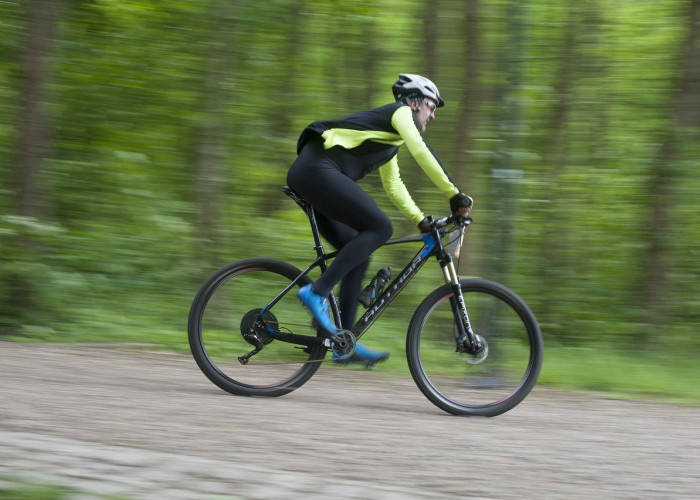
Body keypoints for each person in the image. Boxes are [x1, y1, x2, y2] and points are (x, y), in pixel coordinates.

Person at [287, 73, 472, 367]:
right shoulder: (399, 113)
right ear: (415, 102)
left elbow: (394, 186)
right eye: (431, 106)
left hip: (313, 176)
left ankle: (342, 342)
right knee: (380, 227)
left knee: (358, 254)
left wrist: (420, 220)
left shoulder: (390, 139)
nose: (433, 115)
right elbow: (421, 151)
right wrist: (454, 193)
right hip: (315, 170)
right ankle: (317, 291)